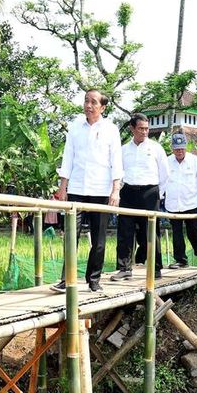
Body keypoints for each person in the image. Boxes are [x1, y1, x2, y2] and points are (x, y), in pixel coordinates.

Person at [51, 89, 123, 294]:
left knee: (99, 240)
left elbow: (116, 161)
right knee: (71, 236)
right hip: (77, 189)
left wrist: (115, 190)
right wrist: (63, 187)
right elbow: (68, 158)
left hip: (101, 191)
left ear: (103, 107)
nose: (88, 105)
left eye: (93, 102)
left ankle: (93, 280)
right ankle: (67, 280)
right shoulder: (75, 127)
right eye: (86, 101)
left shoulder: (111, 129)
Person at [111, 113, 168, 281]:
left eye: (147, 129)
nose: (144, 132)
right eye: (141, 129)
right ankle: (124, 268)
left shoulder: (156, 148)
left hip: (150, 193)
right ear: (132, 129)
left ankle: (155, 267)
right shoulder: (123, 150)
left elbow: (165, 174)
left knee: (150, 233)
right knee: (125, 232)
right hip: (128, 192)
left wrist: (158, 194)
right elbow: (118, 173)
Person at [164, 133, 197, 269]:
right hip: (173, 203)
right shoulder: (167, 161)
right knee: (177, 232)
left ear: (186, 148)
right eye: (177, 149)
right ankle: (180, 260)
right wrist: (158, 197)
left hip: (192, 201)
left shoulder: (194, 160)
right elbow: (162, 180)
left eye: (182, 149)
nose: (179, 151)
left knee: (195, 230)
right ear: (172, 149)